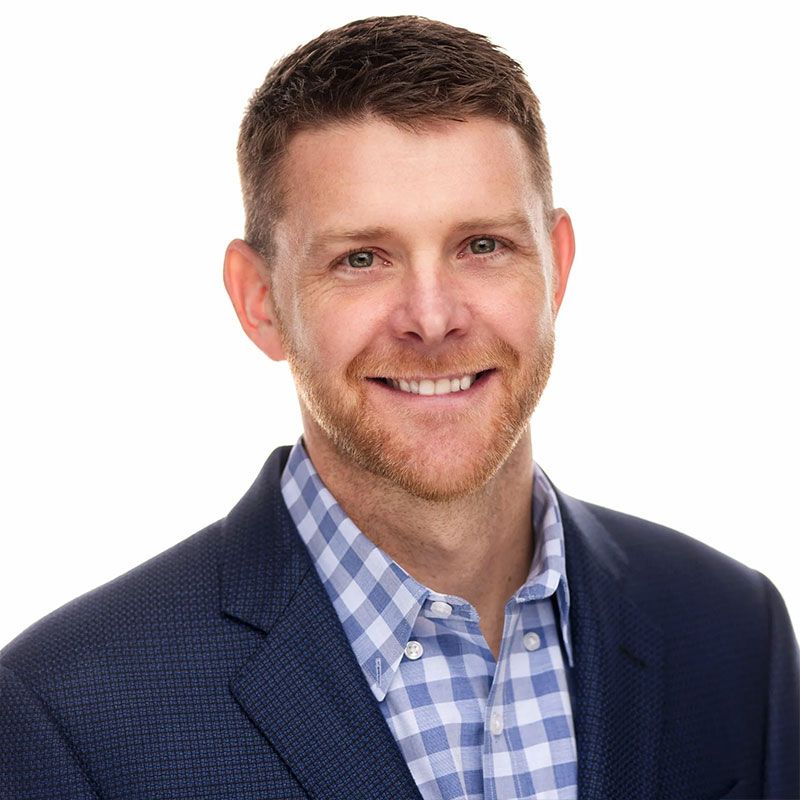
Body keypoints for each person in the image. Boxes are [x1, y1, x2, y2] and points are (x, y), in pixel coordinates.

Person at [1, 15, 797, 800]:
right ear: (260, 302)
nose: (433, 316)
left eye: (482, 245)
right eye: (362, 258)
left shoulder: (732, 631)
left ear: (555, 267)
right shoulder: (67, 713)